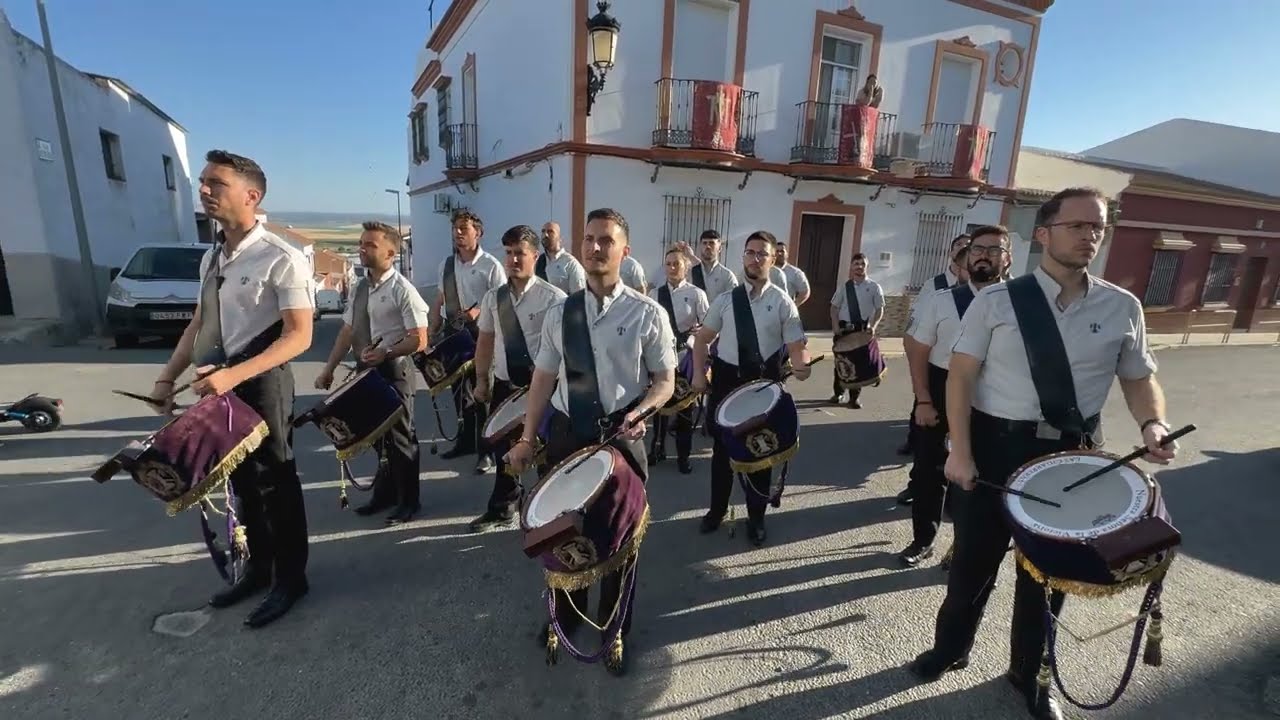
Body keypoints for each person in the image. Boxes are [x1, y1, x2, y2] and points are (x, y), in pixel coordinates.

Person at [910, 188, 1180, 720]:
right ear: (1044, 233)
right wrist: (958, 452)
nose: (1090, 236)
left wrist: (1154, 422)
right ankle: (951, 649)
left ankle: (1030, 673)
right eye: (1078, 225)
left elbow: (1140, 379)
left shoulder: (1121, 306)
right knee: (973, 565)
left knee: (1049, 576)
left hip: (1071, 455)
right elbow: (961, 377)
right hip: (995, 447)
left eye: (1098, 227)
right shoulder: (997, 301)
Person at [506, 207, 676, 676]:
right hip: (566, 436)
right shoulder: (562, 312)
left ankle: (612, 625)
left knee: (618, 541)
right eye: (589, 239)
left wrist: (642, 411)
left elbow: (664, 381)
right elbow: (542, 379)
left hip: (622, 440)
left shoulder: (648, 314)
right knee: (563, 538)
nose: (595, 247)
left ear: (625, 250)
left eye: (606, 240)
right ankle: (563, 616)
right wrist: (525, 438)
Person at [150, 149, 313, 628]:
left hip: (262, 383)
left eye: (215, 184)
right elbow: (199, 323)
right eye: (203, 182)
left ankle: (291, 579)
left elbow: (299, 336)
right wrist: (166, 377)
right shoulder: (212, 257)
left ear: (251, 195)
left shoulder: (279, 257)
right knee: (241, 483)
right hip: (221, 384)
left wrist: (234, 375)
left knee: (276, 482)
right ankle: (260, 569)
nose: (204, 191)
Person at [692, 230, 810, 546]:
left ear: (773, 260)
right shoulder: (726, 300)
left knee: (762, 453)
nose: (755, 259)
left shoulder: (783, 302)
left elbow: (797, 344)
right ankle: (716, 511)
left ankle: (756, 518)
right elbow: (702, 340)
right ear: (743, 256)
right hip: (727, 381)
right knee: (721, 454)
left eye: (762, 254)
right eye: (750, 252)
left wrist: (801, 364)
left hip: (762, 386)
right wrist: (700, 374)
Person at [900, 232, 1007, 566]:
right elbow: (917, 349)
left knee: (981, 477)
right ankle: (923, 540)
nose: (984, 256)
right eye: (978, 249)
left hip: (993, 396)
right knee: (930, 472)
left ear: (1008, 258)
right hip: (942, 385)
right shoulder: (942, 300)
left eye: (994, 250)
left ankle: (963, 547)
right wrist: (923, 400)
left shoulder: (1017, 302)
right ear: (966, 257)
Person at [315, 221, 430, 524]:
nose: (362, 249)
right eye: (361, 243)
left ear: (391, 253)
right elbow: (348, 330)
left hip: (394, 369)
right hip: (368, 372)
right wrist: (328, 369)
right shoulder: (361, 286)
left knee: (401, 438)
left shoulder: (402, 290)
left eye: (370, 245)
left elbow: (420, 338)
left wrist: (387, 352)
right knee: (378, 438)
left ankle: (409, 502)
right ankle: (386, 495)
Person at [468, 225, 566, 533]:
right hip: (506, 388)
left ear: (535, 257)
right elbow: (485, 341)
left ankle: (546, 515)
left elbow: (565, 352)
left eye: (519, 253)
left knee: (546, 453)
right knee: (504, 453)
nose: (512, 260)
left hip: (543, 390)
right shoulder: (492, 299)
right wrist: (482, 380)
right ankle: (504, 509)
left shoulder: (555, 299)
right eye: (508, 253)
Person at [431, 209, 507, 472]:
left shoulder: (491, 266)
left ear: (479, 232)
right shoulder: (446, 265)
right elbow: (440, 299)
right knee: (459, 394)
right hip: (454, 335)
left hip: (482, 336)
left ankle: (486, 451)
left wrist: (479, 311)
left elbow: (502, 302)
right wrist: (432, 327)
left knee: (482, 394)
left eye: (464, 228)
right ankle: (465, 442)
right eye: (455, 228)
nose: (458, 233)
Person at [898, 233, 973, 462]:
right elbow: (916, 330)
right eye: (959, 245)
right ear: (952, 254)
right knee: (926, 428)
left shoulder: (992, 291)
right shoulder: (936, 285)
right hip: (939, 367)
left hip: (972, 375)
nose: (965, 249)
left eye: (969, 246)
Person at [648, 245, 709, 473]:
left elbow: (707, 325)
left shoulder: (696, 294)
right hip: (661, 359)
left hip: (685, 359)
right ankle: (657, 449)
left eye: (677, 264)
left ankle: (683, 456)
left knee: (685, 411)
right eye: (669, 264)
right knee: (659, 410)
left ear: (686, 267)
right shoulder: (655, 294)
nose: (672, 268)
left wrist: (700, 343)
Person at [828, 253, 884, 408]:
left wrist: (873, 326)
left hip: (861, 332)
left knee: (858, 364)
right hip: (844, 331)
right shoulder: (844, 287)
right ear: (851, 267)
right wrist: (835, 325)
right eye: (856, 264)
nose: (859, 267)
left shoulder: (874, 287)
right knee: (841, 363)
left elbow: (880, 309)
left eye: (862, 264)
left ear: (867, 266)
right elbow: (834, 308)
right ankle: (838, 393)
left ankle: (854, 398)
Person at [682, 229, 739, 303]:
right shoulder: (689, 273)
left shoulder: (727, 276)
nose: (708, 246)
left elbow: (733, 302)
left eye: (712, 243)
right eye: (704, 243)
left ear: (720, 248)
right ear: (700, 246)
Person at [536, 221, 586, 294]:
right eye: (543, 231)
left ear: (559, 238)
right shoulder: (538, 261)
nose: (545, 235)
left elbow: (579, 297)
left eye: (550, 231)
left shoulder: (570, 263)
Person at [774, 240, 811, 307]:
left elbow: (805, 291)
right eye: (777, 251)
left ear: (787, 254)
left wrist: (793, 305)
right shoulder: (766, 271)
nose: (779, 253)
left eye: (782, 251)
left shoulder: (795, 272)